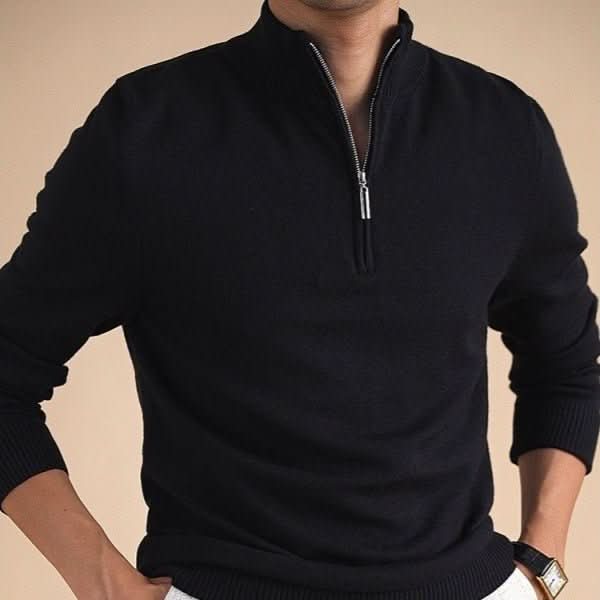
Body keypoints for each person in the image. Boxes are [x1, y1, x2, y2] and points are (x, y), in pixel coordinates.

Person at [1, 1, 598, 599]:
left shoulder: (503, 128)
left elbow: (566, 365)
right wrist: (105, 585)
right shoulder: (146, 129)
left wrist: (541, 571)